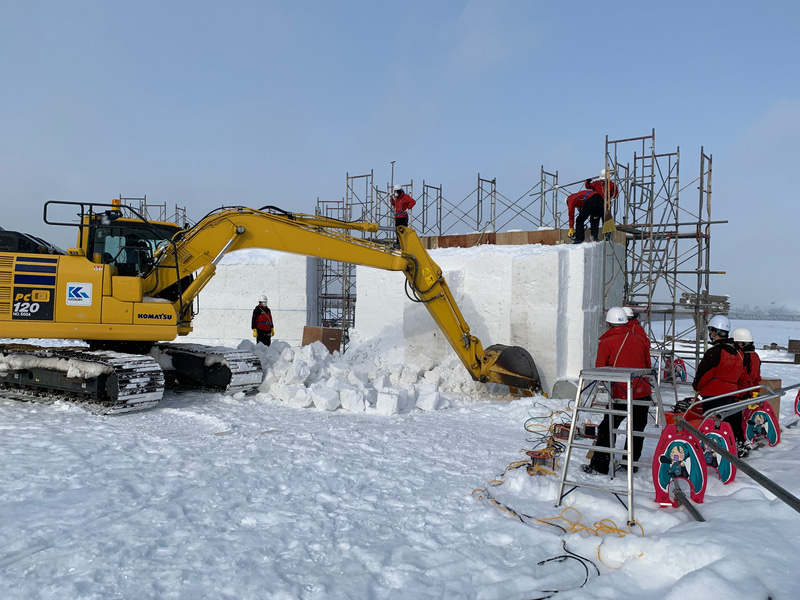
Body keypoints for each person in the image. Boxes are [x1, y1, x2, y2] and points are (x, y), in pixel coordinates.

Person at [583, 306, 653, 475]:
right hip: (642, 391)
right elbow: (647, 365)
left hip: (621, 392)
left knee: (608, 428)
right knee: (636, 428)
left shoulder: (607, 342)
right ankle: (630, 463)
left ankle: (600, 465)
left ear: (609, 324)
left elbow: (601, 369)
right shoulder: (640, 339)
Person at [692, 315, 748, 455]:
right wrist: (741, 394)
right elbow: (744, 376)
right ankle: (739, 446)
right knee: (732, 425)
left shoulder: (714, 352)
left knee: (712, 426)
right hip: (732, 396)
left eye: (711, 331)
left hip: (713, 397)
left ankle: (712, 452)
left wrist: (696, 386)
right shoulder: (739, 353)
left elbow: (704, 373)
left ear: (715, 332)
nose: (710, 334)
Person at [732, 328, 761, 399]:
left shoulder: (739, 356)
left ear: (740, 343)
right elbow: (756, 377)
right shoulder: (755, 356)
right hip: (751, 393)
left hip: (740, 394)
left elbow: (742, 377)